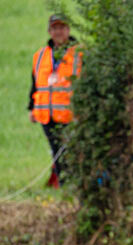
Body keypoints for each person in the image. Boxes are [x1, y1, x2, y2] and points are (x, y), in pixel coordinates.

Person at [28, 14, 82, 188]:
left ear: (68, 30)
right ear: (49, 31)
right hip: (47, 115)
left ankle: (75, 186)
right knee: (57, 153)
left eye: (62, 28)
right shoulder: (40, 55)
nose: (58, 32)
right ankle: (64, 187)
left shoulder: (80, 54)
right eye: (55, 28)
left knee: (70, 153)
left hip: (71, 115)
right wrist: (31, 108)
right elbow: (35, 84)